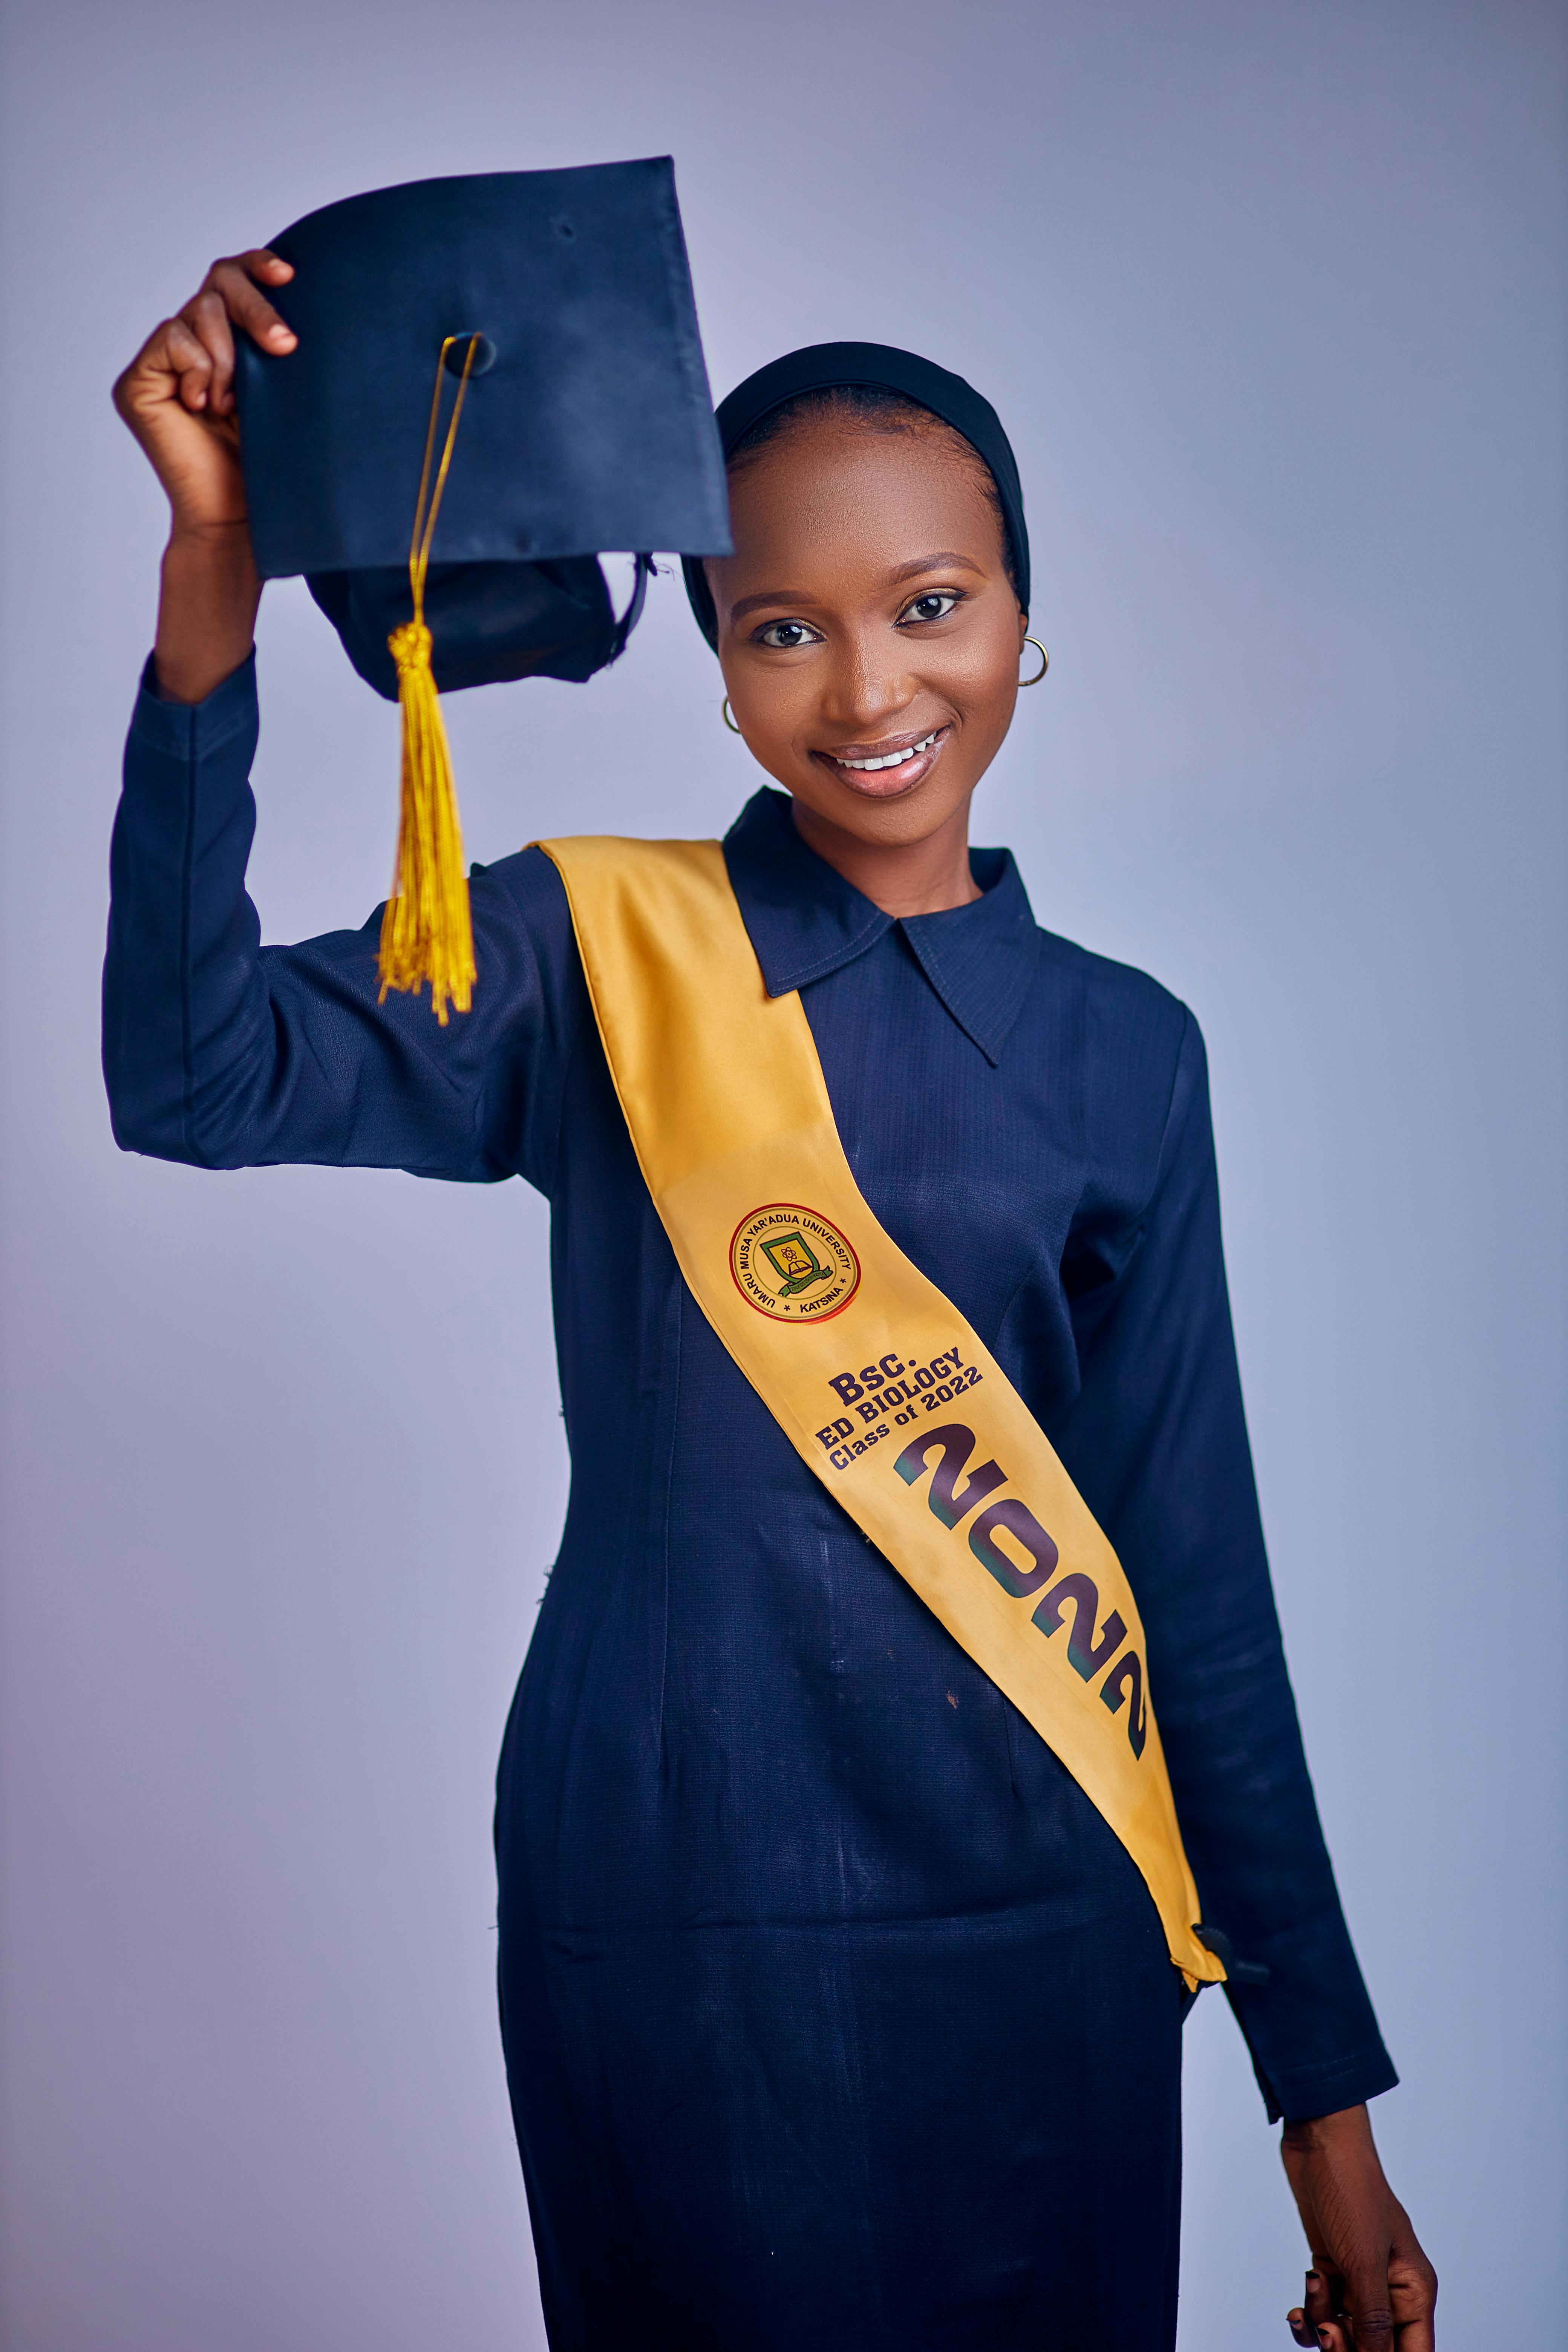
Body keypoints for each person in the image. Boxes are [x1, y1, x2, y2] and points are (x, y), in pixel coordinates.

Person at [107, 247, 1438, 2352]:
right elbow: (194, 1076)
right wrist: (216, 570)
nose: (869, 688)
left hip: (1045, 1921)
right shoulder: (593, 950)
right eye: (783, 630)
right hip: (674, 1905)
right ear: (719, 666)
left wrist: (1323, 2107)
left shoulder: (1128, 1054)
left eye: (932, 608)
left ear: (1022, 614)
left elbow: (1197, 1581)